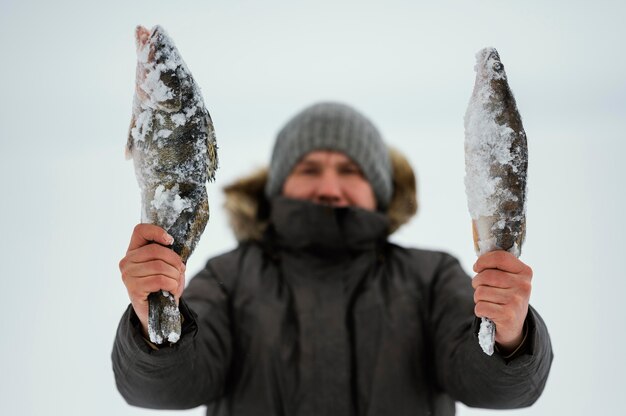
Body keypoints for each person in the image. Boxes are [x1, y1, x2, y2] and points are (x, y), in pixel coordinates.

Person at [112, 102, 553, 415]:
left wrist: (511, 335)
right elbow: (164, 390)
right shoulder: (229, 275)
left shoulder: (431, 276)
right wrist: (153, 320)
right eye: (308, 169)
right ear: (278, 186)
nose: (328, 186)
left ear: (380, 189)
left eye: (349, 171)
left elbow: (497, 390)